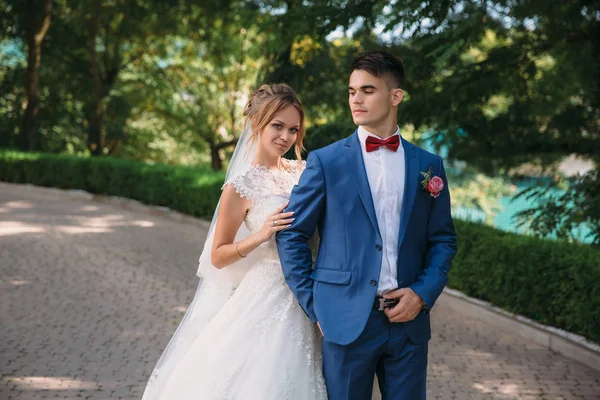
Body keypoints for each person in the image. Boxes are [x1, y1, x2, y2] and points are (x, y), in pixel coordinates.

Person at [277, 50, 458, 400]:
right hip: (344, 322)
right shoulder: (326, 161)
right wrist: (316, 305)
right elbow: (292, 233)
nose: (355, 99)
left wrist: (422, 294)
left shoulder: (429, 165)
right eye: (351, 91)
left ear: (395, 96)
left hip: (408, 324)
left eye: (368, 90)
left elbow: (443, 240)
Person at [141, 83, 326, 400]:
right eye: (277, 126)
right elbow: (218, 255)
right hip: (267, 290)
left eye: (293, 129)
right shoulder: (240, 187)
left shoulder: (304, 171)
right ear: (257, 123)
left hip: (312, 287)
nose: (285, 137)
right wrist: (261, 235)